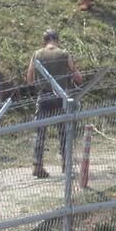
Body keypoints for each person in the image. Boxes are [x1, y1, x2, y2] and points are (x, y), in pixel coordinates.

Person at [25, 29, 83, 179]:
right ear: (57, 40)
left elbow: (29, 78)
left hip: (43, 97)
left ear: (44, 41)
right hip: (60, 97)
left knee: (40, 132)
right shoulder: (64, 54)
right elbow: (78, 77)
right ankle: (66, 163)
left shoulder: (36, 54)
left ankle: (37, 165)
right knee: (64, 131)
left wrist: (38, 85)